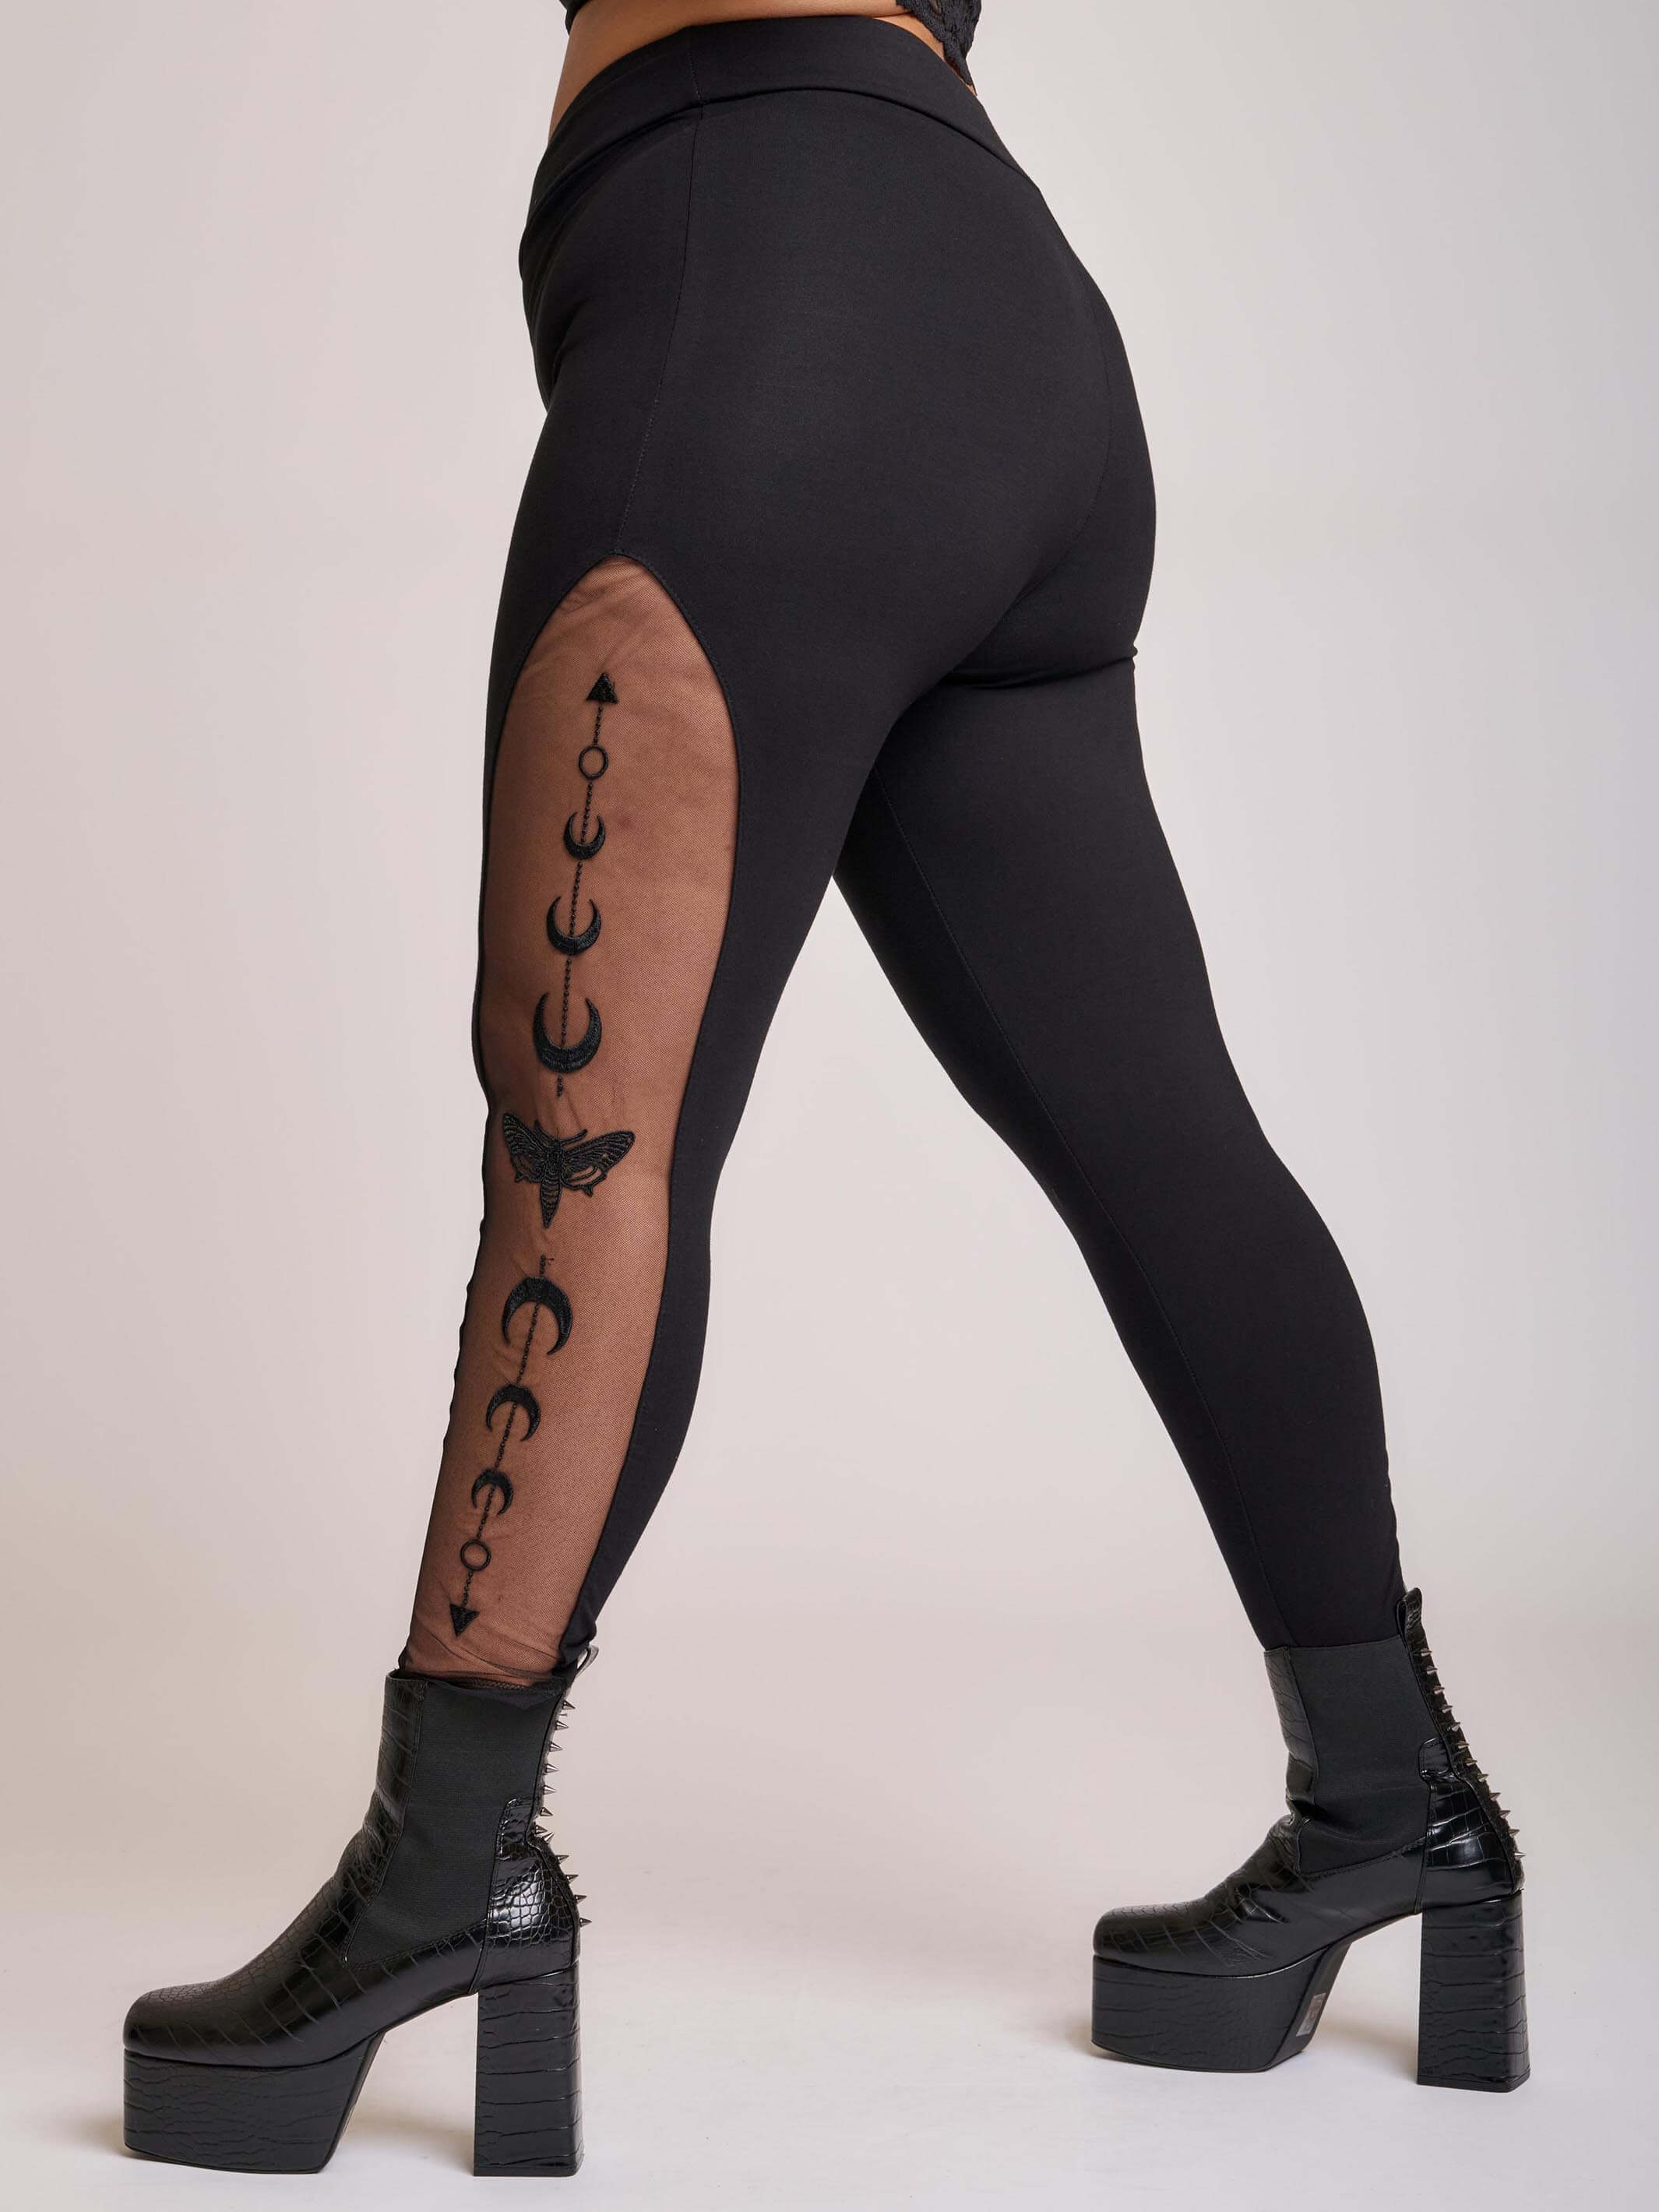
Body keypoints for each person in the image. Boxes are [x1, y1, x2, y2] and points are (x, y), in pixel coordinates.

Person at [122, 3, 1527, 2179]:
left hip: (749, 303)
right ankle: (1392, 1803)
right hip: (1008, 324)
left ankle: (443, 1874)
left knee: (588, 1137)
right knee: (1163, 1139)